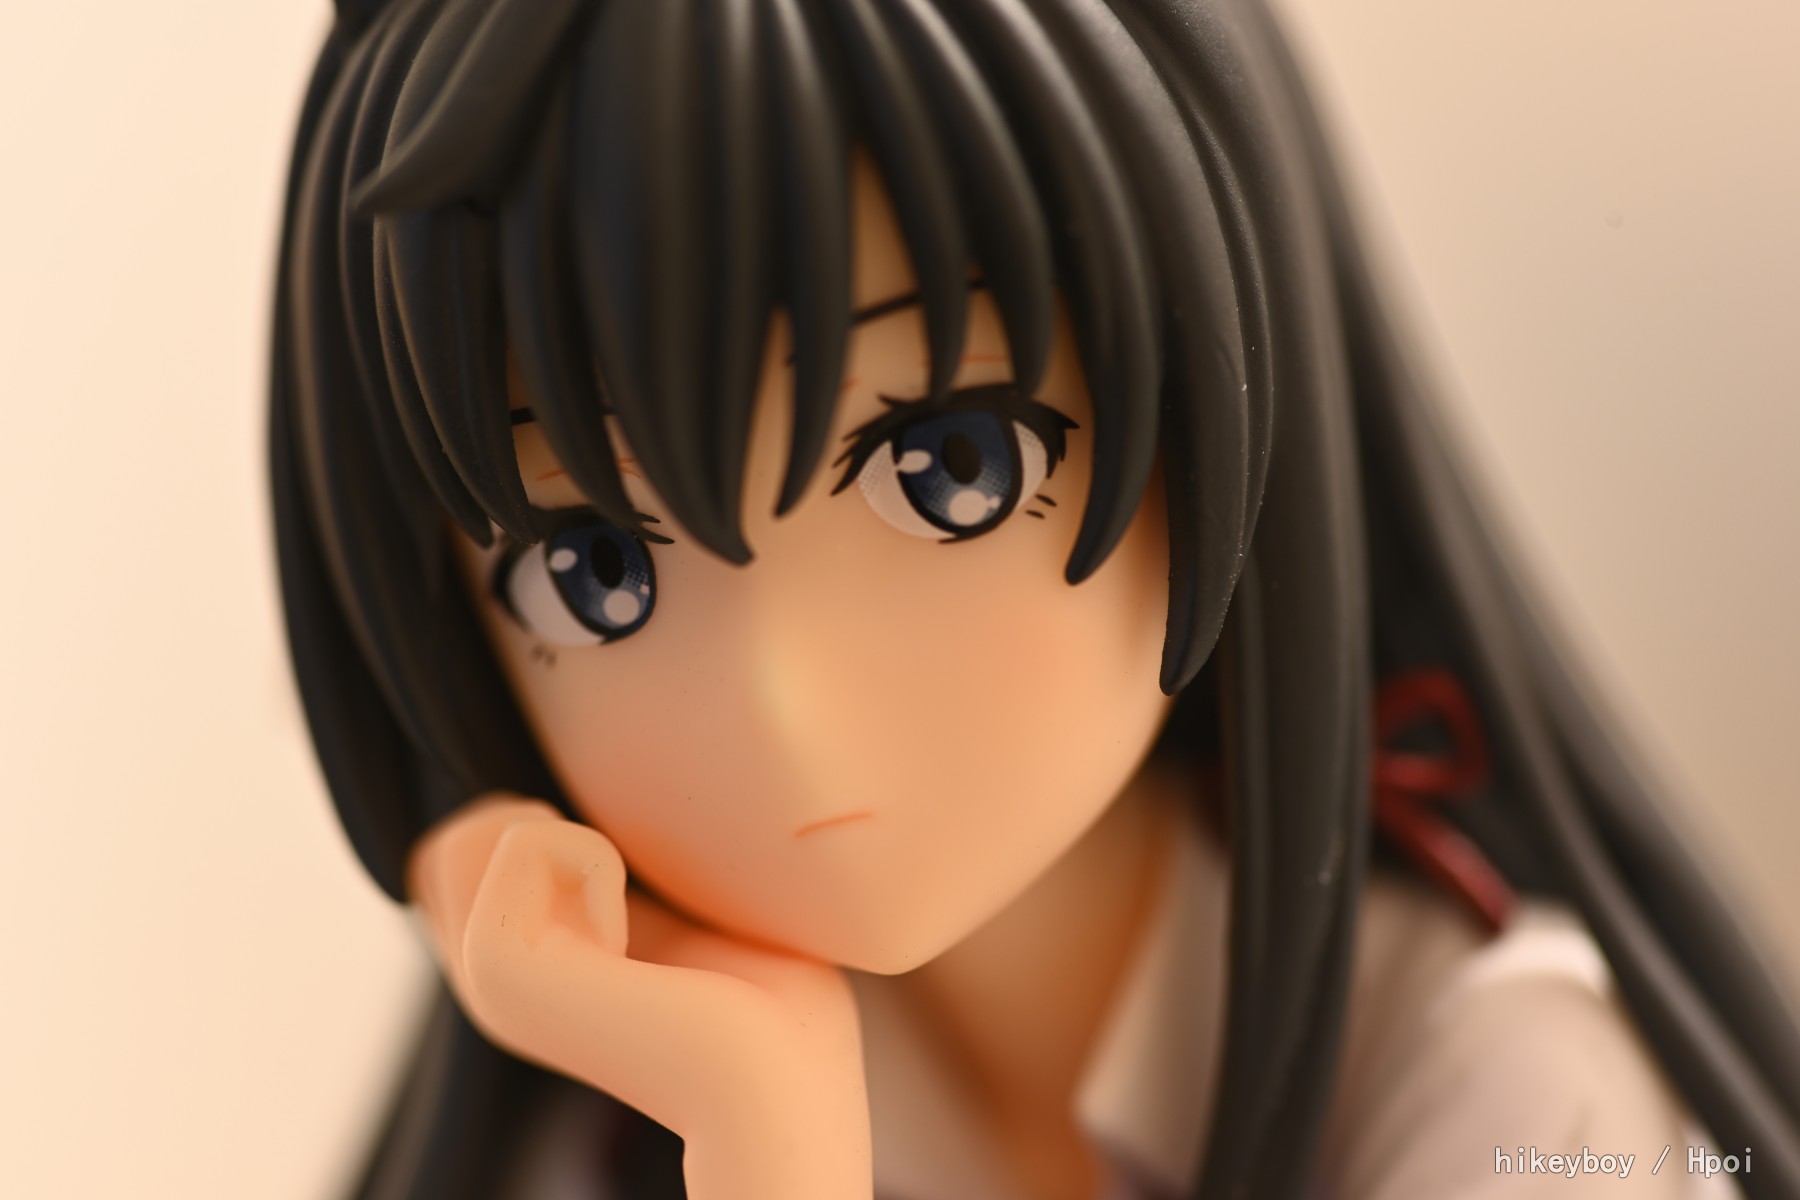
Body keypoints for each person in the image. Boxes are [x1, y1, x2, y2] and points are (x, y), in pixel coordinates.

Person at [270, 0, 1800, 1195]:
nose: (787, 704)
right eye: (596, 572)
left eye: (949, 467)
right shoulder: (626, 1116)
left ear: (1210, 385)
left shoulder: (1530, 1108)